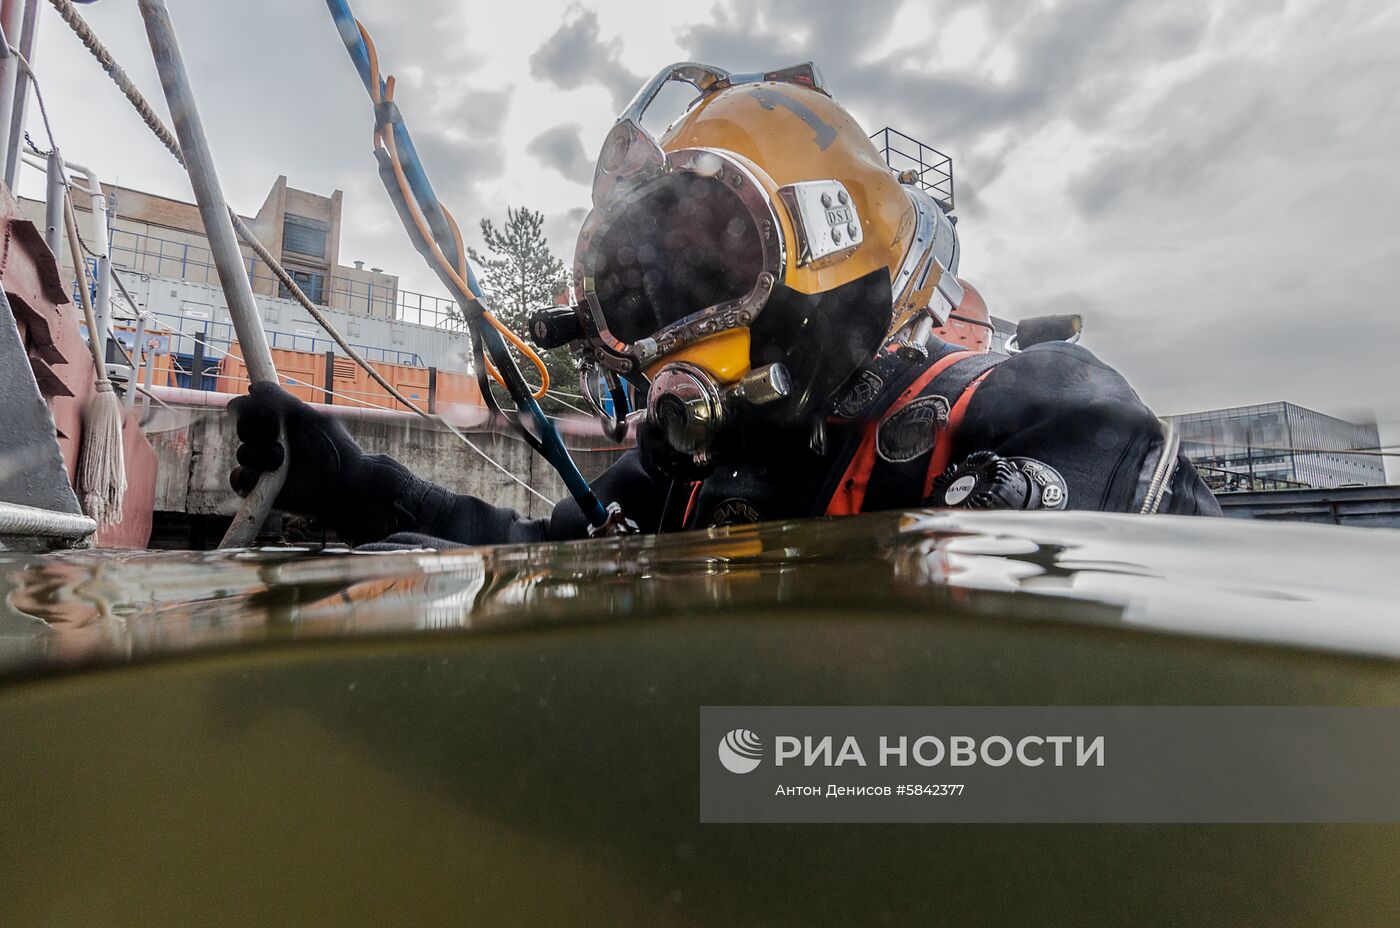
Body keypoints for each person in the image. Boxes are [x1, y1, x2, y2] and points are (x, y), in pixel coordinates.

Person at [229, 62, 1219, 549]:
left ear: (831, 244)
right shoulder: (679, 478)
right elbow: (531, 558)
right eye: (635, 297)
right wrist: (355, 483)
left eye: (704, 272)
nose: (662, 342)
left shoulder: (1039, 413)